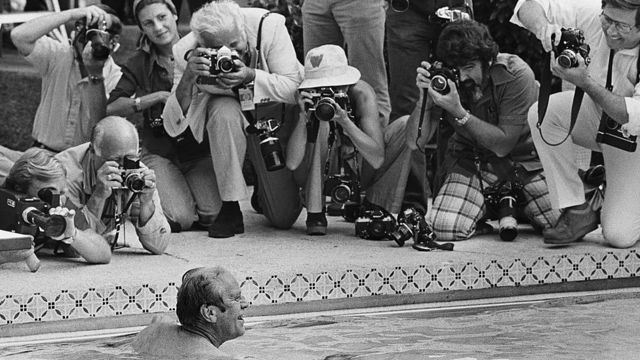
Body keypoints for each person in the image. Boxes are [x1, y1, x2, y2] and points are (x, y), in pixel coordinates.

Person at [161, 0, 303, 238]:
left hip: (270, 117)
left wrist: (249, 75)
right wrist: (188, 78)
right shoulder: (186, 51)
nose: (229, 54)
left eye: (235, 45)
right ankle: (231, 207)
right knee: (222, 110)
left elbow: (293, 88)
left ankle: (262, 187)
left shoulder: (268, 27)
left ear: (243, 30)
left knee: (283, 218)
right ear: (202, 43)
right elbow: (172, 124)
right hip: (228, 117)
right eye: (218, 49)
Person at [407, 19, 559, 242]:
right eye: (457, 69)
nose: (464, 77)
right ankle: (490, 213)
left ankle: (514, 208)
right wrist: (425, 100)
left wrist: (458, 111)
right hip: (473, 164)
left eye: (469, 68)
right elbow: (415, 144)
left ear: (487, 60)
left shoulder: (516, 74)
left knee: (560, 222)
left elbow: (503, 145)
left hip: (524, 165)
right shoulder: (448, 79)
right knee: (444, 228)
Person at [512, 0, 640, 248]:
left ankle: (614, 193)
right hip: (607, 122)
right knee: (543, 114)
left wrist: (585, 82)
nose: (610, 30)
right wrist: (544, 28)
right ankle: (578, 206)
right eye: (608, 19)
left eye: (621, 26)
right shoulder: (595, 14)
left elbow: (631, 117)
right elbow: (527, 5)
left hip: (635, 133)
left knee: (619, 236)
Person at [107, 0, 220, 233]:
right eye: (148, 23)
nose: (157, 27)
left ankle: (183, 192)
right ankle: (144, 197)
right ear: (142, 28)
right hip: (160, 152)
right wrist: (155, 97)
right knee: (181, 219)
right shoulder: (139, 61)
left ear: (175, 15)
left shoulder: (200, 48)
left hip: (198, 150)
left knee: (214, 216)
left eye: (162, 18)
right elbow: (112, 108)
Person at [288, 44, 413, 235]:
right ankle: (315, 211)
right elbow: (292, 163)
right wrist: (303, 119)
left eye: (335, 88)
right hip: (318, 167)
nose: (328, 96)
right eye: (320, 89)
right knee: (323, 125)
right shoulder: (306, 99)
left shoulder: (362, 94)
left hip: (361, 163)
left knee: (406, 126)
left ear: (347, 84)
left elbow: (377, 158)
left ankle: (376, 205)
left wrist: (346, 122)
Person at [10, 5, 123, 153]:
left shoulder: (118, 77)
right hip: (42, 155)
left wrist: (95, 74)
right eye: (81, 26)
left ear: (113, 40)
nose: (86, 36)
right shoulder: (58, 55)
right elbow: (19, 36)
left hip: (82, 160)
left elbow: (101, 121)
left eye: (96, 30)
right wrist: (71, 14)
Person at [55, 116, 171, 255]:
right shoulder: (66, 175)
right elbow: (74, 249)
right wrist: (98, 196)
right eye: (115, 160)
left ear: (138, 152)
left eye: (129, 159)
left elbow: (159, 246)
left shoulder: (137, 172)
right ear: (92, 152)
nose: (122, 169)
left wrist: (147, 204)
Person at [3, 148, 112, 264]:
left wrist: (72, 234)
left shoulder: (60, 203)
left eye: (61, 192)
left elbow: (103, 253)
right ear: (19, 188)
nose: (56, 200)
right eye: (48, 193)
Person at [302, 0, 391, 127]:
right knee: (316, 81)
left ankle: (375, 141)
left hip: (359, 3)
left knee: (369, 82)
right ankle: (328, 143)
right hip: (316, 4)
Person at [132, 266, 249, 358]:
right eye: (236, 298)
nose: (245, 304)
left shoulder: (154, 330)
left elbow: (159, 319)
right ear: (209, 313)